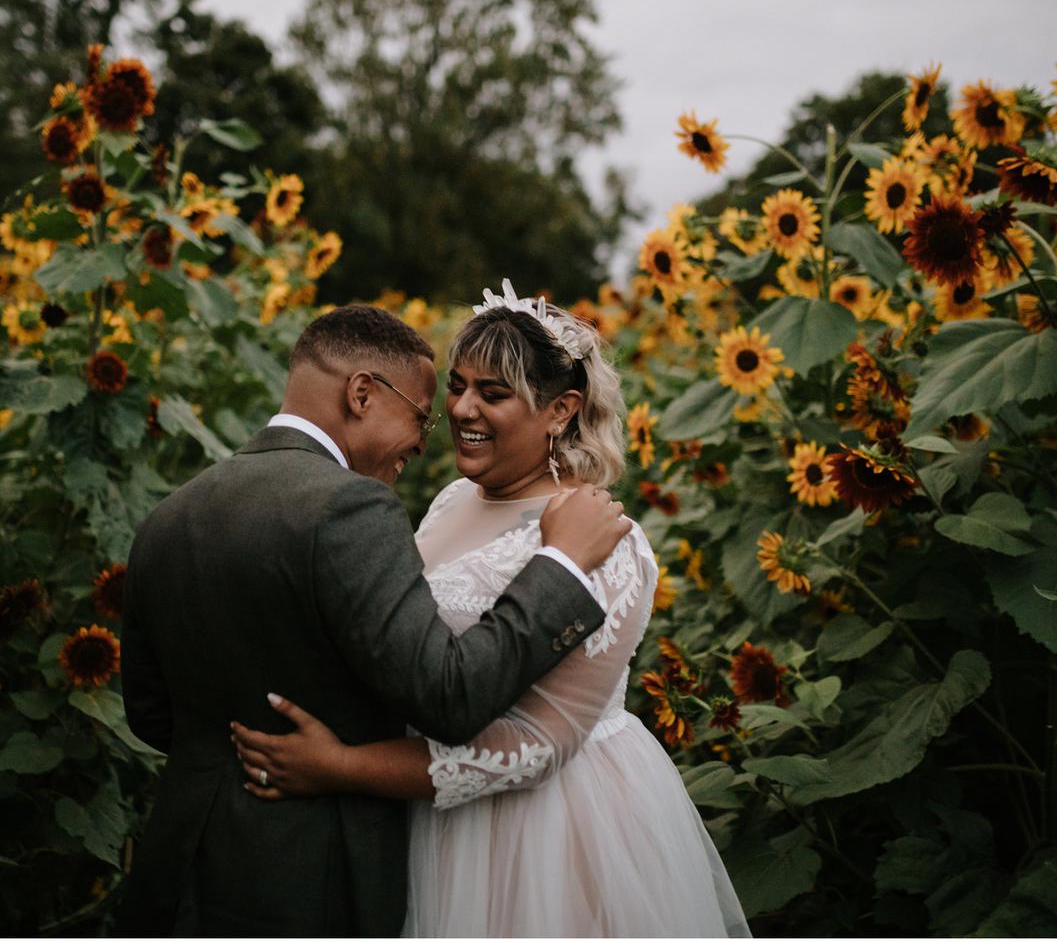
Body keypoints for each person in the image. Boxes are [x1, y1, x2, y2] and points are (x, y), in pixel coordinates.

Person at [231, 282, 751, 937]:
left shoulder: (605, 543)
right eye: (458, 385)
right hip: (430, 813)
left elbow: (537, 745)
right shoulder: (451, 500)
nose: (461, 408)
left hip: (545, 831)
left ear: (561, 408)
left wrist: (340, 766)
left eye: (494, 393)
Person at [118, 303, 631, 936]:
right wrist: (560, 568)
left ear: (562, 409)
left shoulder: (172, 514)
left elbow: (148, 711)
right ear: (362, 394)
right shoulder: (353, 507)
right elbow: (447, 692)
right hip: (309, 870)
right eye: (427, 411)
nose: (427, 437)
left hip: (182, 858)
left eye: (489, 393)